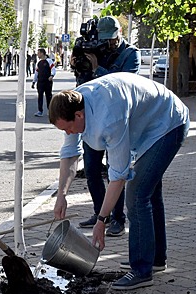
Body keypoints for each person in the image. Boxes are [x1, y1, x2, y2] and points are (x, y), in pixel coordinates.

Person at [49, 72, 189, 291]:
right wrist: (61, 196)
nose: (68, 133)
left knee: (137, 195)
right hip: (149, 128)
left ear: (78, 116)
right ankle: (155, 259)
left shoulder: (109, 118)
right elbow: (69, 154)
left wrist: (101, 221)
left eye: (67, 128)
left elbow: (118, 176)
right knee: (150, 194)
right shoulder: (75, 103)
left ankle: (142, 270)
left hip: (168, 125)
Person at [69, 15, 141, 236]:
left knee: (115, 171)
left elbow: (123, 84)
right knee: (91, 170)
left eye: (112, 38)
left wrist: (98, 67)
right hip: (92, 120)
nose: (108, 43)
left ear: (120, 33)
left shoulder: (131, 54)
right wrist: (79, 66)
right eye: (105, 39)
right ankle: (101, 213)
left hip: (117, 122)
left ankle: (118, 218)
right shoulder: (96, 49)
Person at [31, 48, 56, 117]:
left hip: (48, 82)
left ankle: (50, 111)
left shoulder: (49, 61)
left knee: (49, 96)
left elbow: (53, 69)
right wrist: (34, 82)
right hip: (40, 82)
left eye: (38, 53)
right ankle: (40, 111)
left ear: (42, 53)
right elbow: (36, 73)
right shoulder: (38, 63)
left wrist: (52, 75)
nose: (37, 54)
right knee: (40, 96)